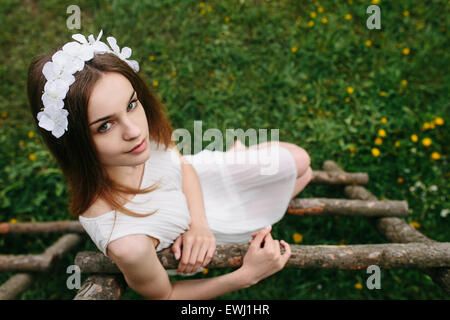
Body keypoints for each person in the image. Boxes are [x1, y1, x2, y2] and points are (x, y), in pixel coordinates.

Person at [26, 30, 313, 300]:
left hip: (197, 183)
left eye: (131, 105)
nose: (135, 131)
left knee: (302, 161)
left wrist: (198, 225)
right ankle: (253, 200)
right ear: (75, 143)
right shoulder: (129, 244)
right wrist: (246, 276)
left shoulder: (135, 140)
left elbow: (181, 165)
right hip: (213, 227)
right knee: (302, 174)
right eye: (104, 126)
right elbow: (166, 295)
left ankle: (244, 172)